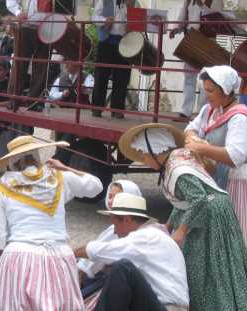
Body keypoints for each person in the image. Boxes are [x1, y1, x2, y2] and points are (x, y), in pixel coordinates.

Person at [117, 123, 247, 311]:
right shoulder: (176, 157)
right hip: (211, 211)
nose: (144, 160)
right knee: (205, 268)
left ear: (156, 151)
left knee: (205, 270)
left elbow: (199, 199)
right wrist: (169, 224)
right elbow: (183, 201)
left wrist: (181, 230)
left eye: (144, 155)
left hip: (211, 215)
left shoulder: (177, 168)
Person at [0, 136, 103, 311]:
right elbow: (96, 186)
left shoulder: (2, 186)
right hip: (58, 255)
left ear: (12, 160)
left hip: (19, 254)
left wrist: (1, 267)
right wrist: (65, 167)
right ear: (38, 156)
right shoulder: (60, 178)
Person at [74, 193, 189, 311]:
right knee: (112, 272)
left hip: (169, 307)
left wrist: (69, 254)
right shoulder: (153, 236)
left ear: (127, 219)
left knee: (122, 268)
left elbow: (97, 251)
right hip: (159, 304)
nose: (114, 231)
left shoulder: (146, 237)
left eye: (115, 225)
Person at [183, 65, 247, 242]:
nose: (206, 95)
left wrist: (201, 148)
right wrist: (193, 139)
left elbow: (235, 156)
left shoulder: (239, 118)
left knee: (235, 236)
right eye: (205, 90)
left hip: (235, 184)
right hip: (213, 179)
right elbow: (190, 129)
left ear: (225, 91)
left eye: (210, 91)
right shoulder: (209, 110)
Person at [6, 0, 67, 101]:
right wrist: (18, 11)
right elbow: (10, 0)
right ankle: (14, 97)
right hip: (26, 27)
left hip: (46, 30)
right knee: (20, 62)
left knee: (41, 66)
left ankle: (34, 100)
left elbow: (66, 9)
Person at [170, 0, 224, 120]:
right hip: (191, 40)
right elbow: (183, 18)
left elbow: (217, 17)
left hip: (207, 41)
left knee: (206, 79)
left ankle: (203, 113)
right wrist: (176, 29)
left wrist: (200, 3)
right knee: (189, 76)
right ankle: (186, 111)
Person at [91, 0, 137, 119]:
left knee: (122, 77)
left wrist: (132, 20)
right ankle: (97, 108)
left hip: (126, 44)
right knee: (101, 76)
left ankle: (117, 109)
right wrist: (104, 20)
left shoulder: (133, 2)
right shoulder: (104, 1)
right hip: (107, 42)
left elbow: (140, 19)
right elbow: (94, 17)